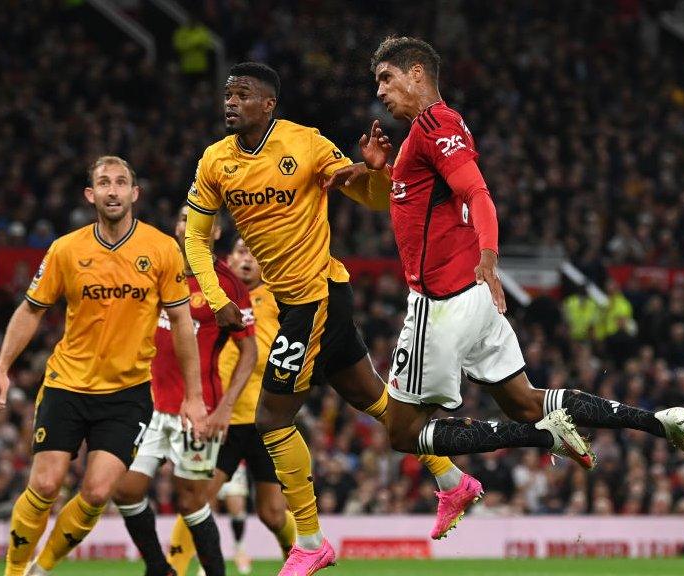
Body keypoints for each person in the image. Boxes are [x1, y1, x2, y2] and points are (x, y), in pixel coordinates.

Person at [331, 36, 684, 477]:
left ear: (416, 73)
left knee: (402, 433)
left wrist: (489, 260)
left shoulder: (434, 125)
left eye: (386, 77)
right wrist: (381, 168)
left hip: (441, 303)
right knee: (526, 401)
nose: (379, 91)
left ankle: (542, 437)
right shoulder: (433, 132)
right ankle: (660, 422)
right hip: (472, 298)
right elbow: (424, 198)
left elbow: (477, 193)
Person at [183, 61, 484, 576]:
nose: (230, 102)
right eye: (227, 94)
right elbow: (194, 235)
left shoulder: (305, 144)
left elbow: (372, 199)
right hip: (305, 298)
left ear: (268, 104)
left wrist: (372, 170)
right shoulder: (215, 162)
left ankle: (311, 540)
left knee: (272, 420)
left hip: (315, 295)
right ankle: (454, 480)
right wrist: (216, 296)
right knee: (374, 399)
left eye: (242, 94)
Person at [0, 156, 208, 576]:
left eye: (121, 182)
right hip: (67, 384)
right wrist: (1, 368)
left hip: (127, 394)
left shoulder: (161, 249)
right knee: (46, 484)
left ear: (134, 194)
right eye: (103, 183)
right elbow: (31, 310)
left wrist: (194, 398)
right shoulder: (66, 249)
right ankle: (13, 573)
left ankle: (42, 568)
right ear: (91, 195)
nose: (112, 189)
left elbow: (181, 322)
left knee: (98, 490)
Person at [113, 207, 258, 576]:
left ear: (216, 230)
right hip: (149, 405)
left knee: (191, 501)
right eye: (182, 218)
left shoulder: (227, 285)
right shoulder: (159, 269)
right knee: (125, 490)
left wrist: (225, 408)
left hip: (199, 411)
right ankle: (160, 569)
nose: (189, 225)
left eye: (201, 220)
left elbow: (249, 351)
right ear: (175, 227)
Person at [168, 238, 297, 576]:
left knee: (272, 513)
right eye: (240, 251)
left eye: (254, 253)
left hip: (265, 418)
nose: (247, 259)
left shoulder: (276, 298)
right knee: (197, 497)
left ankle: (296, 557)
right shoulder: (217, 297)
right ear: (228, 258)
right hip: (220, 418)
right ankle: (176, 569)